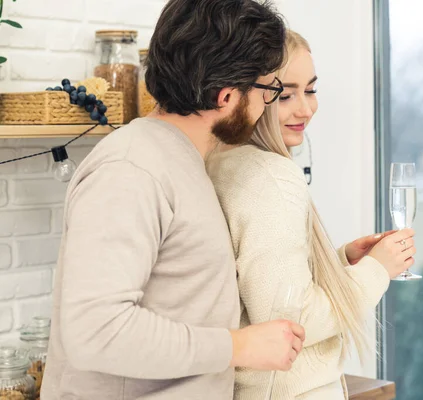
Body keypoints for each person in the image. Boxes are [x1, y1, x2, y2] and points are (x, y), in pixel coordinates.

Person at [41, 1, 306, 399]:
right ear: (227, 96)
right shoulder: (132, 169)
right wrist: (239, 346)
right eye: (269, 89)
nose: (268, 106)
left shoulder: (177, 159)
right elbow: (96, 330)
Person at [207, 30, 417, 399]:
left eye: (311, 90)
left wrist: (340, 264)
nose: (305, 108)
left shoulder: (223, 162)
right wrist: (377, 270)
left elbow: (256, 291)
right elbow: (292, 322)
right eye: (286, 95)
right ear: (251, 95)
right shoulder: (269, 175)